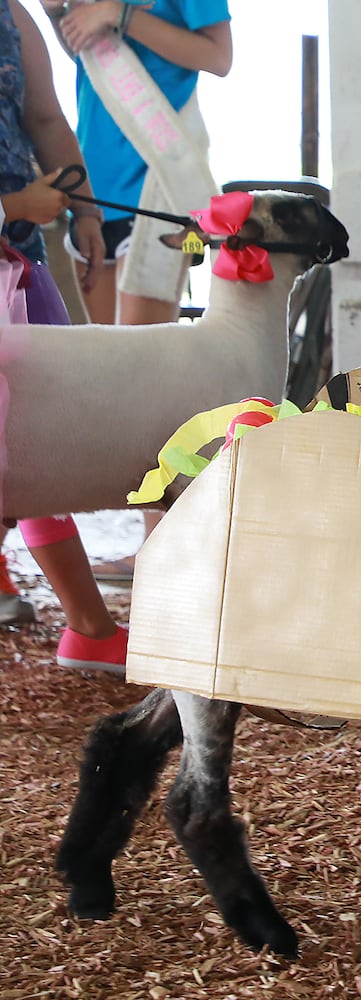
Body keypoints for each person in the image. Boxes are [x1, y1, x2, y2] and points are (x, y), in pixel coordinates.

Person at [41, 0, 232, 583]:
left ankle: (159, 544)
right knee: (116, 384)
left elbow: (219, 57)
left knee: (147, 382)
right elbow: (74, 44)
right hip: (96, 188)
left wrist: (120, 15)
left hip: (160, 178)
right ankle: (149, 538)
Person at [1, 0, 126, 672]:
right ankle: (89, 625)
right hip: (13, 232)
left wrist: (86, 211)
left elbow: (46, 118)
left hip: (16, 262)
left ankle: (88, 625)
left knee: (38, 438)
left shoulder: (13, 16)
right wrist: (12, 205)